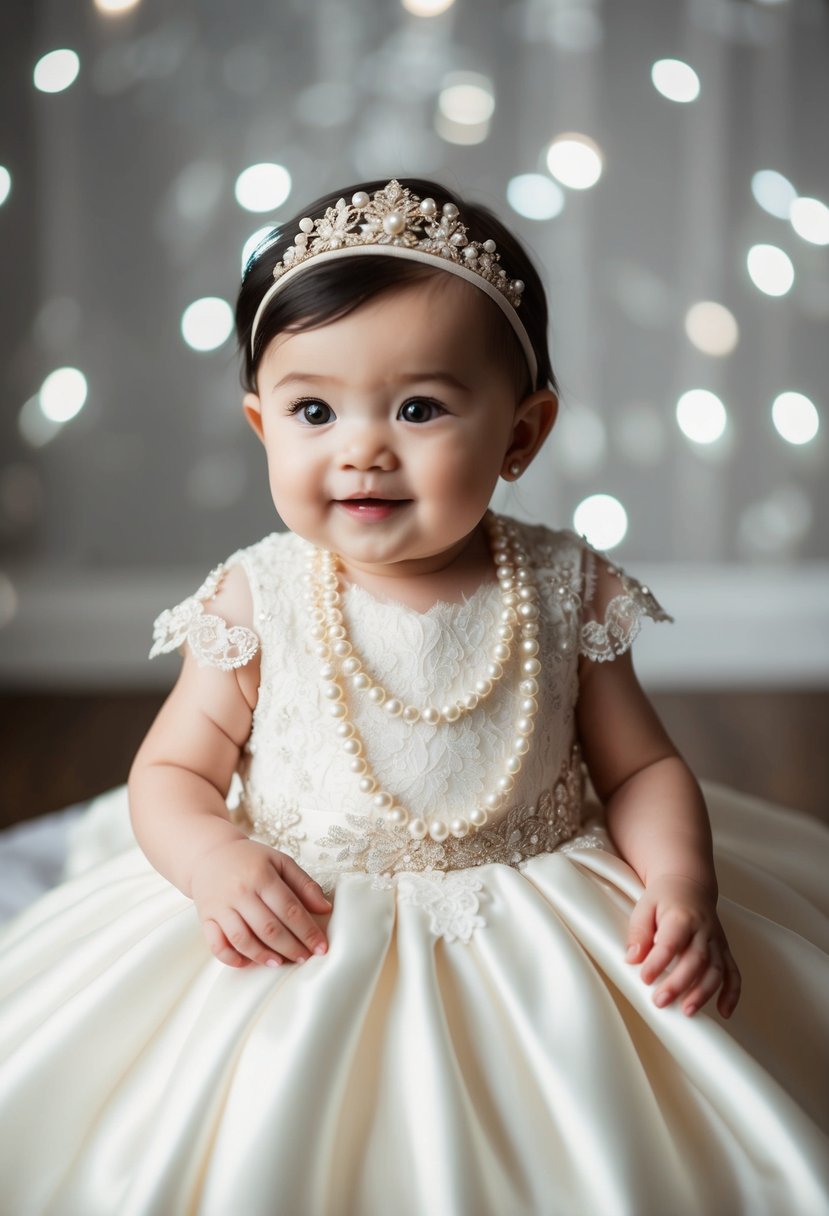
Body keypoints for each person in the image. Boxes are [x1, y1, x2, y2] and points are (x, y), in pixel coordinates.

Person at [0, 177, 827, 1216]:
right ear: (262, 424)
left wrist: (678, 881)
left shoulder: (565, 585)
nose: (362, 447)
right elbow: (170, 771)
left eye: (420, 407)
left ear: (522, 434)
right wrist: (215, 860)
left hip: (540, 919)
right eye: (314, 409)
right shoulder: (260, 598)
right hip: (302, 922)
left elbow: (643, 765)